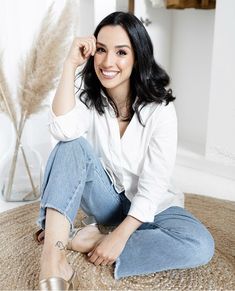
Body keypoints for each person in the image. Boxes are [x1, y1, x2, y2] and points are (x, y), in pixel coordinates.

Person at [35, 11, 214, 290]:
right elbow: (62, 131)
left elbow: (154, 185)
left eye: (121, 52)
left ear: (137, 57)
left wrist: (117, 238)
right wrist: (69, 66)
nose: (108, 62)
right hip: (106, 201)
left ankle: (77, 238)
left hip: (154, 205)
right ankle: (53, 259)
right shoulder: (87, 95)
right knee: (70, 144)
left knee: (199, 245)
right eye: (102, 50)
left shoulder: (161, 110)